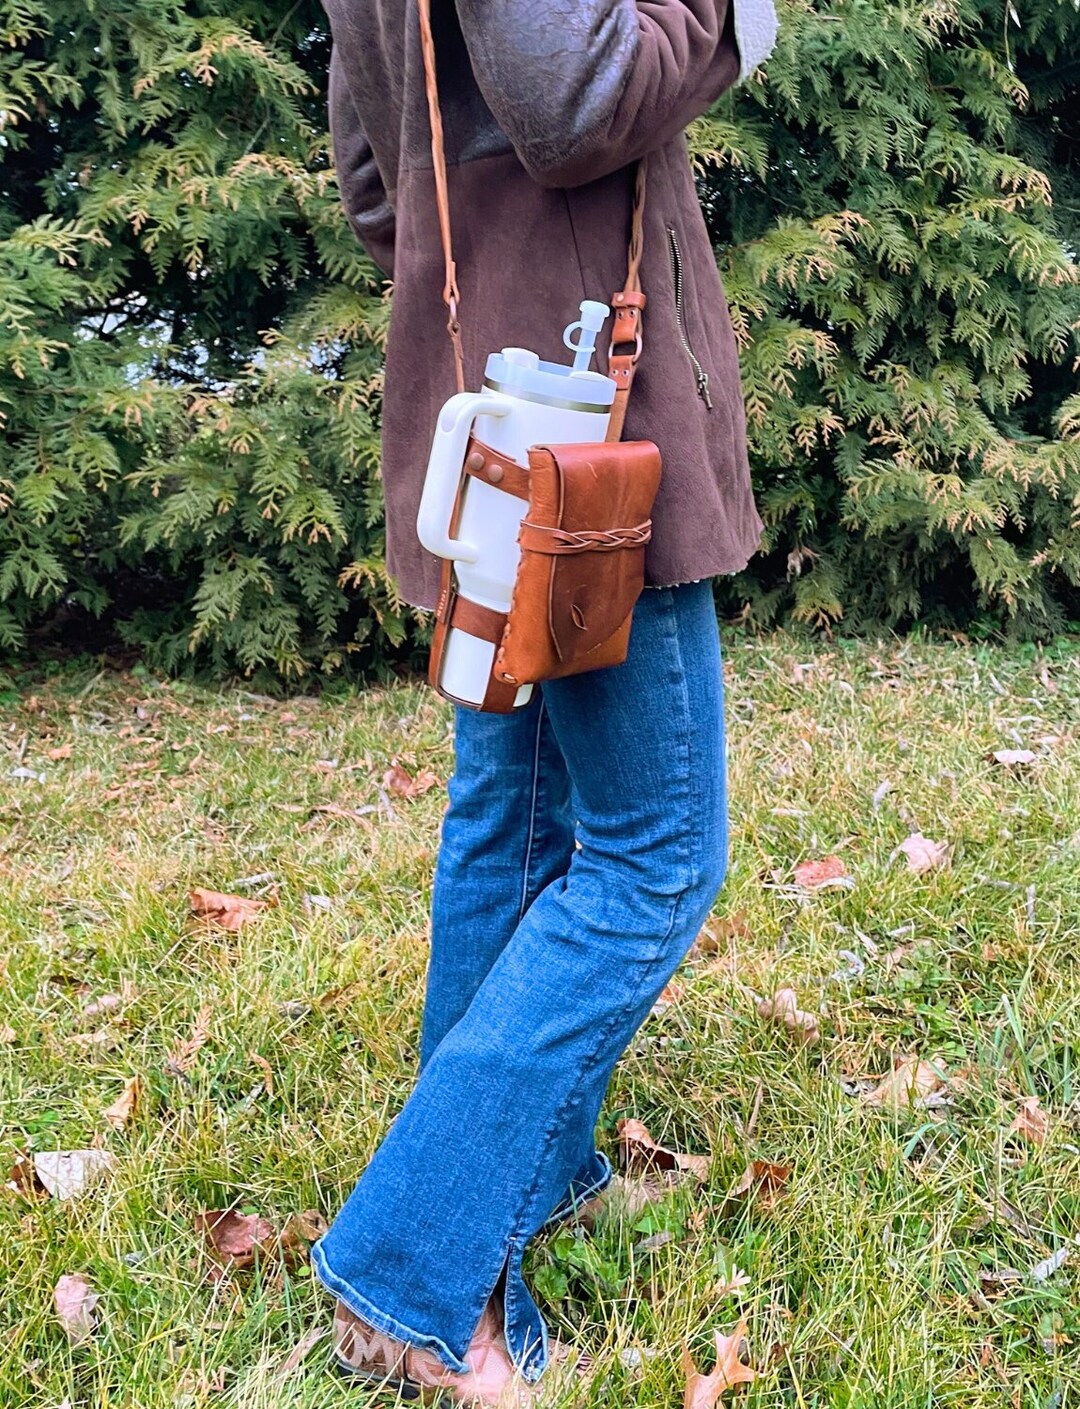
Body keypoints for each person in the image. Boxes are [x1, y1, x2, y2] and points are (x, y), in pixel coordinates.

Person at [312, 0, 777, 1401]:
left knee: (510, 819)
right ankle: (410, 1261)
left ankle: (514, 1198)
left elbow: (372, 178)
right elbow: (571, 93)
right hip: (583, 406)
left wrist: (480, 279)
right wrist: (733, 25)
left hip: (496, 395)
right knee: (655, 853)